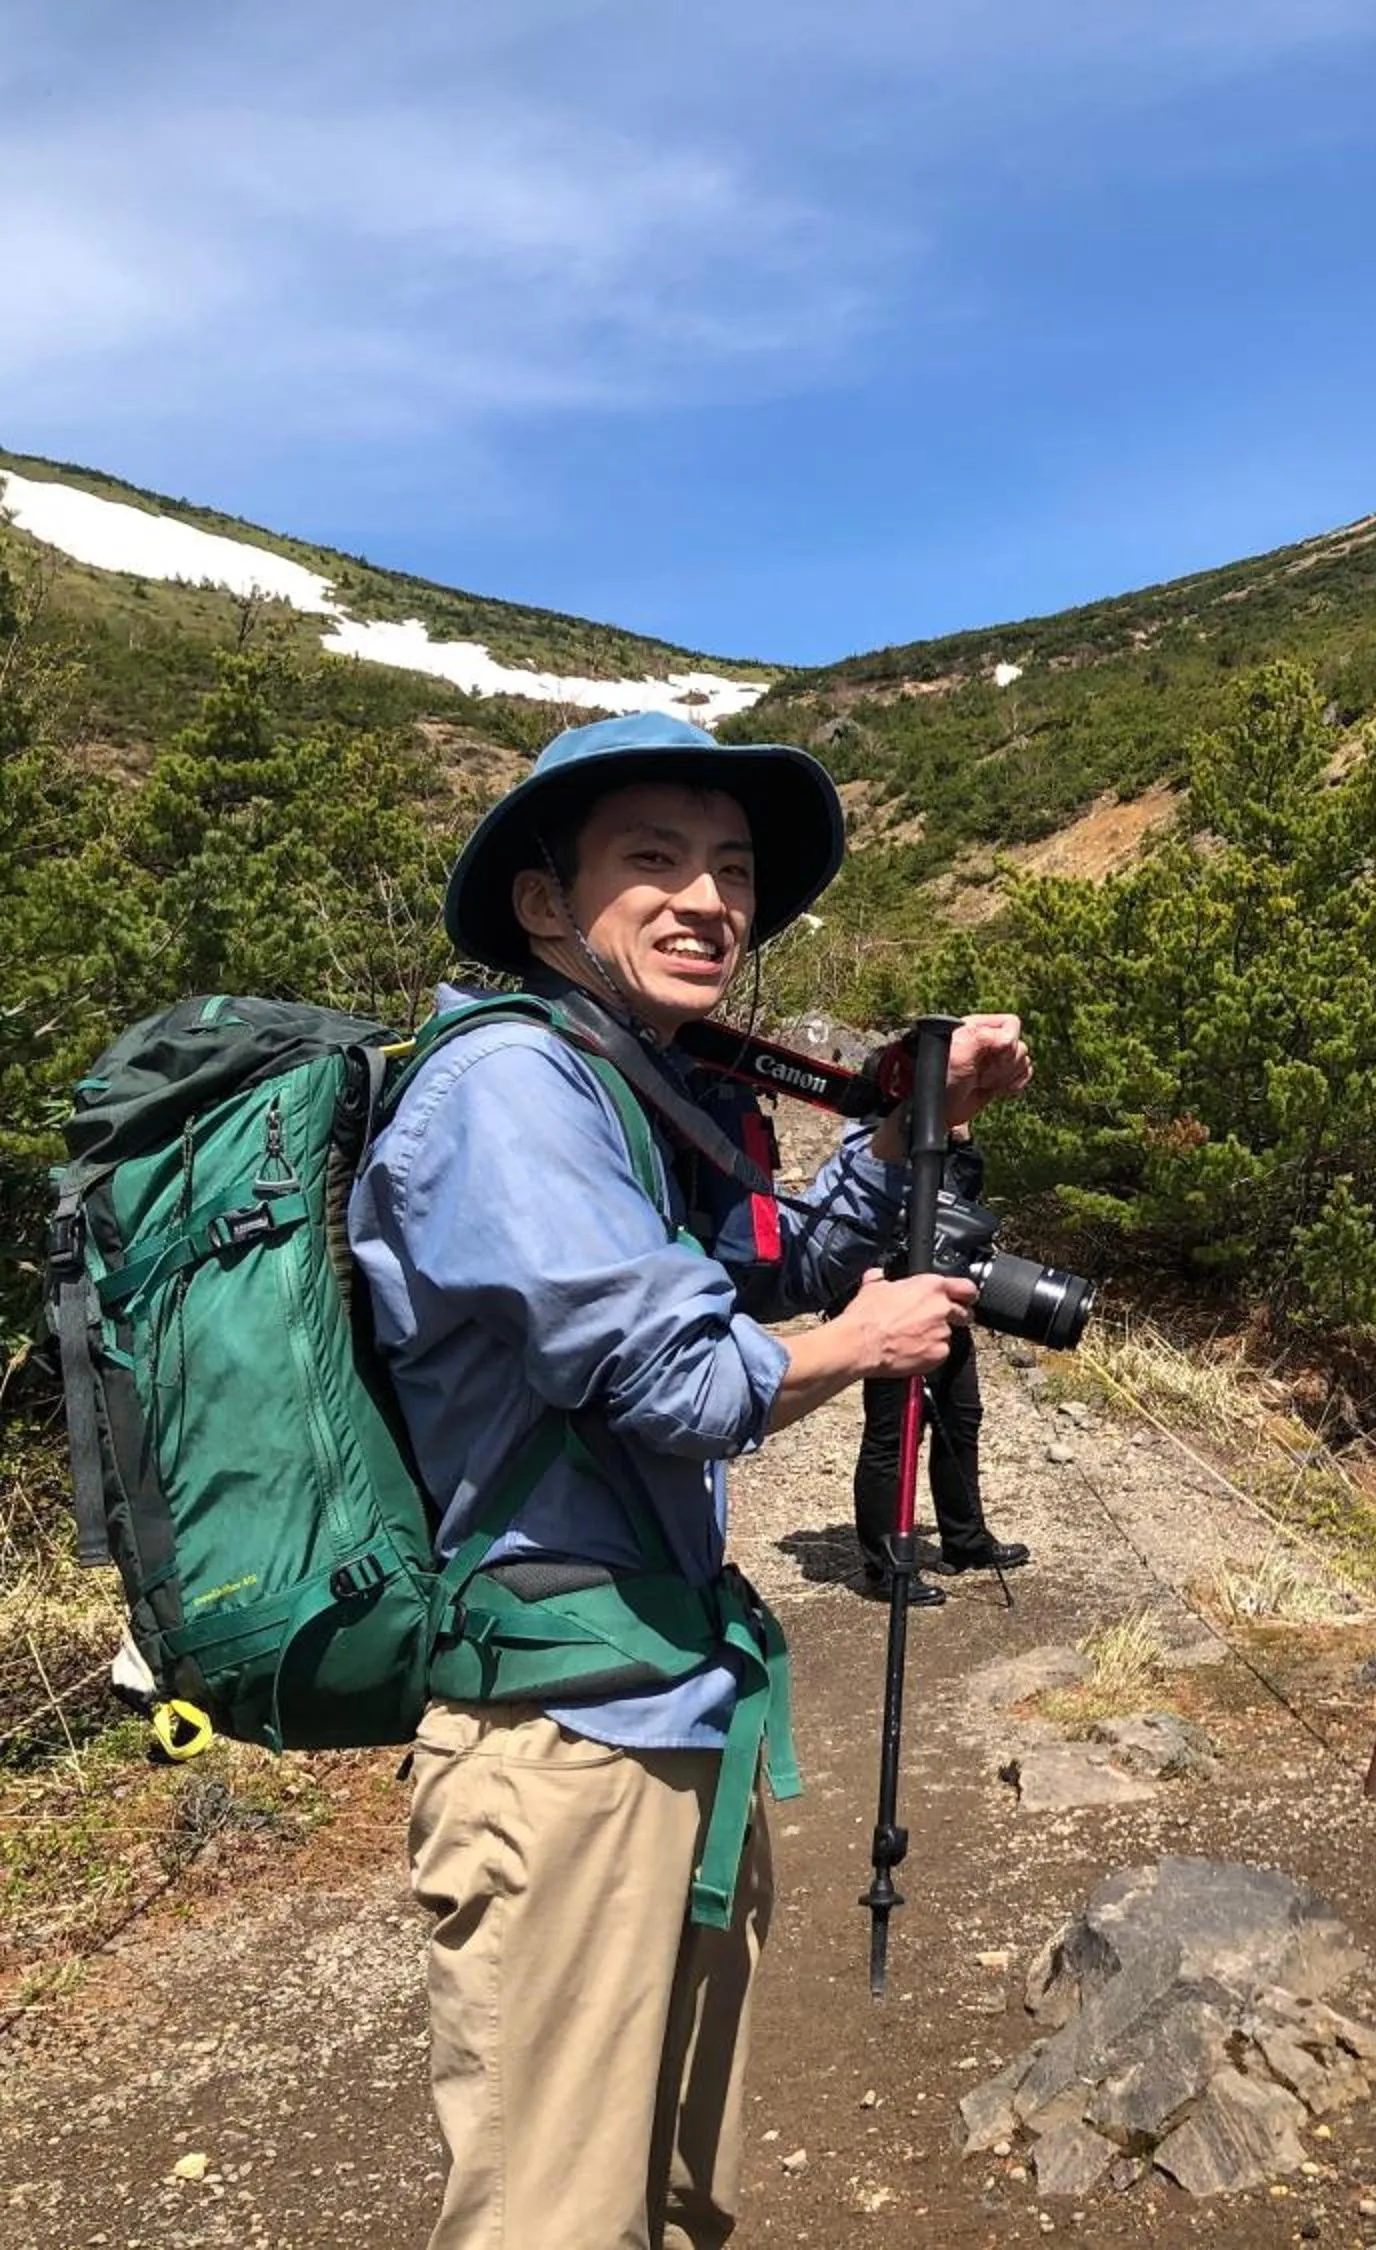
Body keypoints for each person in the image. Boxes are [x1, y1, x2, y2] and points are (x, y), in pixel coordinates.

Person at [347, 711, 1032, 2250]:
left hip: (666, 1711)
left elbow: (775, 1267)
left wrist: (915, 1133)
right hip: (561, 1741)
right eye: (652, 858)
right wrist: (860, 1344)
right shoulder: (509, 1091)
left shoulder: (630, 1088)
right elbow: (681, 1379)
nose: (708, 897)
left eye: (732, 867)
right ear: (545, 901)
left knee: (669, 2196)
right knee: (554, 2217)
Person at [845, 1129, 1025, 1605]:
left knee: (960, 1418)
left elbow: (967, 1200)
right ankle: (884, 1567)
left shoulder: (943, 1148)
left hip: (947, 1303)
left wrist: (961, 1144)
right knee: (890, 1436)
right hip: (895, 1309)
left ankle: (966, 1542)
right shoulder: (879, 1144)